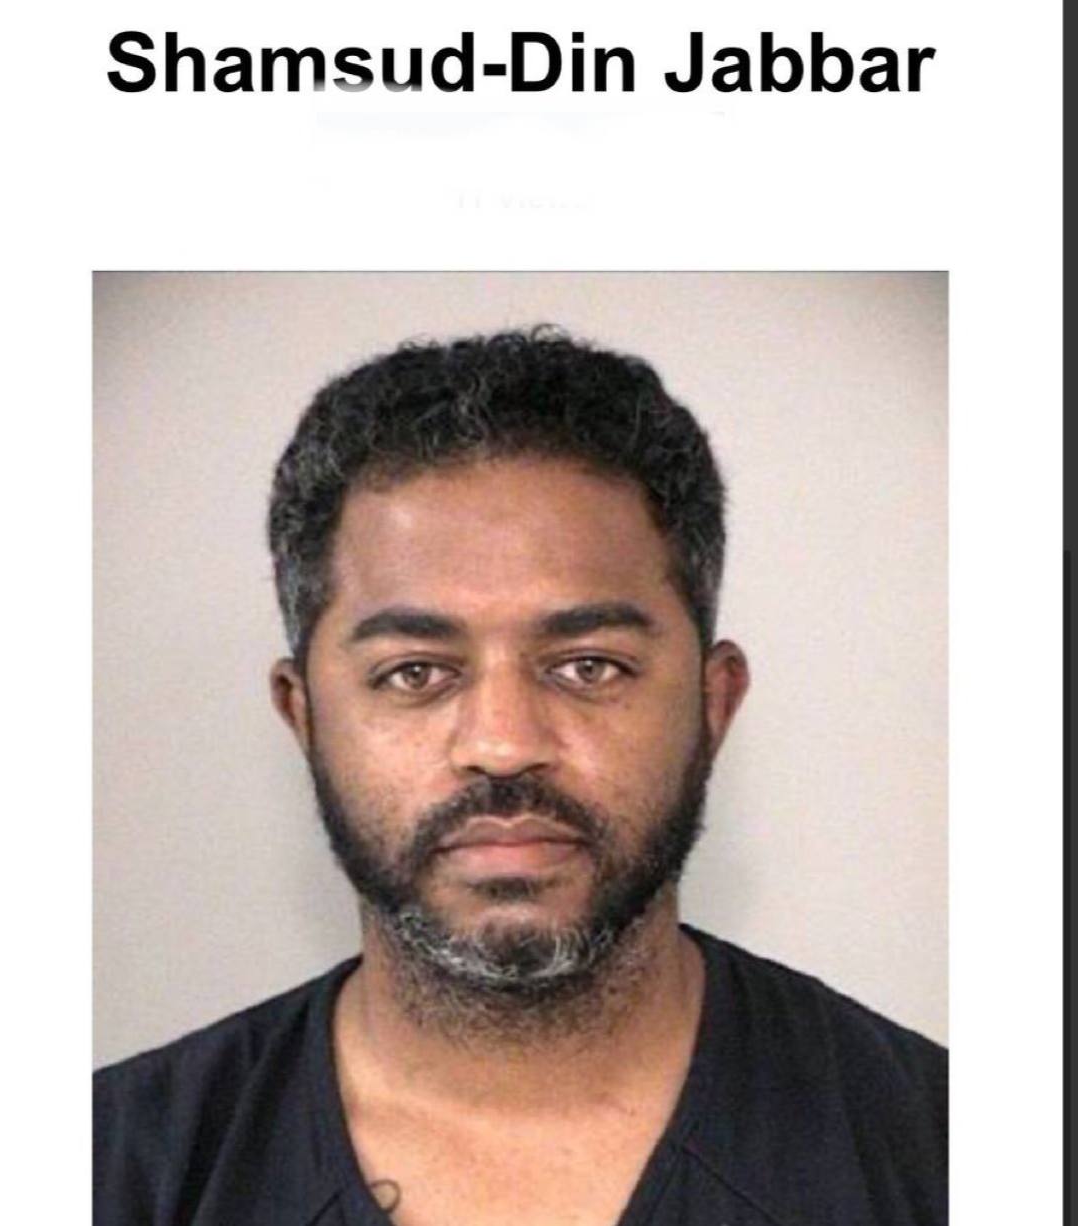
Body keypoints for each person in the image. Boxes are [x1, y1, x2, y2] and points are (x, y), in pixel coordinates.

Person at [93, 328, 947, 1225]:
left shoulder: (946, 1156)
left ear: (712, 703)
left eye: (588, 666)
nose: (502, 744)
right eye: (414, 673)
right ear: (303, 717)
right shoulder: (104, 1172)